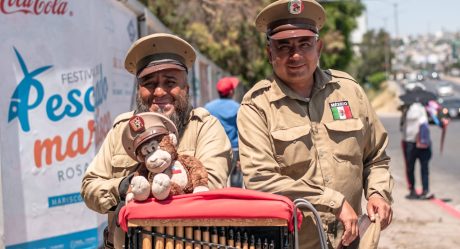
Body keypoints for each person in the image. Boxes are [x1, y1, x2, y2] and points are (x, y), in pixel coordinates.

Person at [236, 1, 393, 249]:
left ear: (318, 47)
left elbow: (376, 157)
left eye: (304, 44)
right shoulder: (256, 107)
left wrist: (377, 193)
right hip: (293, 243)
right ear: (269, 53)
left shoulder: (349, 91)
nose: (295, 55)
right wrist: (332, 201)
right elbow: (260, 178)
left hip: (351, 241)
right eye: (284, 46)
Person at [81, 33, 232, 248]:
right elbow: (90, 186)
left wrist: (150, 187)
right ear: (138, 90)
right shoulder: (123, 128)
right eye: (149, 83)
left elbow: (210, 187)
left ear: (186, 89)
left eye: (170, 82)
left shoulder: (205, 127)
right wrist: (124, 186)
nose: (159, 92)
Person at [204, 76, 242, 187]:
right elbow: (241, 130)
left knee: (218, 179)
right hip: (235, 148)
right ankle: (237, 199)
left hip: (216, 147)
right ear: (231, 92)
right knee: (236, 179)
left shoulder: (209, 107)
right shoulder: (238, 107)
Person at [401, 101, 433, 200]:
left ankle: (412, 191)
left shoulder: (406, 108)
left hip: (410, 142)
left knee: (410, 168)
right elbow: (433, 121)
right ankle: (425, 190)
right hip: (423, 143)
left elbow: (401, 126)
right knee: (424, 168)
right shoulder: (425, 108)